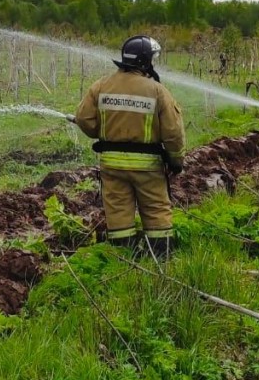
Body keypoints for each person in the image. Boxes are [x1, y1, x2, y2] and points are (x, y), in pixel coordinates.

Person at [72, 35, 186, 259]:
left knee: (118, 213)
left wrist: (103, 133)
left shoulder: (101, 86)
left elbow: (84, 119)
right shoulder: (157, 91)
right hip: (148, 169)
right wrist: (176, 161)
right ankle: (160, 260)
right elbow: (173, 133)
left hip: (111, 166)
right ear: (145, 61)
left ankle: (123, 261)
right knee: (155, 210)